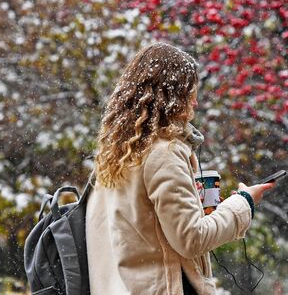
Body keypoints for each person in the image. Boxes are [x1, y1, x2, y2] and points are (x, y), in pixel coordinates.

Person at [86, 42, 275, 294]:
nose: (195, 102)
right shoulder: (163, 153)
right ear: (171, 96)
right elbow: (191, 239)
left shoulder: (117, 154)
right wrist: (244, 203)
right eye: (190, 92)